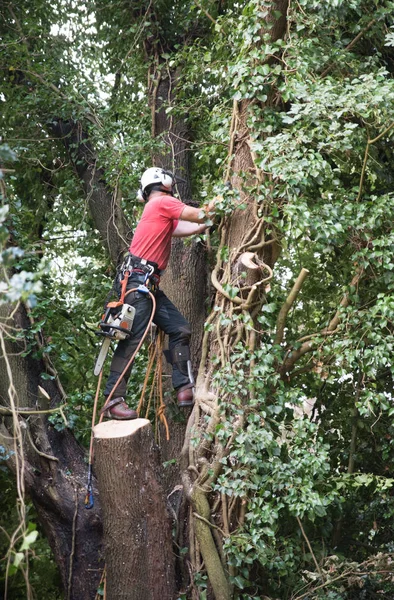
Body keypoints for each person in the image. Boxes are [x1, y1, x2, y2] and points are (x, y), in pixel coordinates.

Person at [102, 167, 215, 420]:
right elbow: (201, 215)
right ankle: (112, 400)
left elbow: (193, 225)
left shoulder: (159, 211)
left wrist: (207, 221)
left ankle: (184, 386)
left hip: (148, 286)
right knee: (133, 341)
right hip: (139, 286)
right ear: (162, 182)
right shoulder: (162, 202)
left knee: (179, 329)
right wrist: (223, 199)